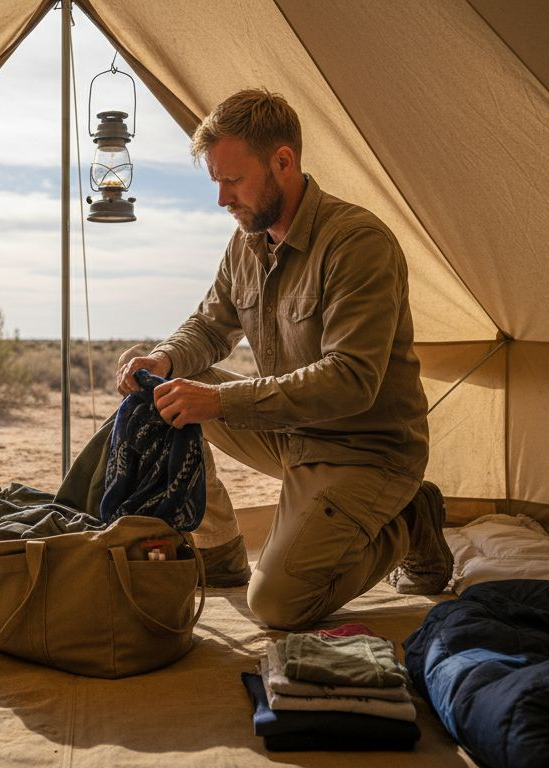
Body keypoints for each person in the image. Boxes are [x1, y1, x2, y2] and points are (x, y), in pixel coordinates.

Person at [115, 89, 451, 630]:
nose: (222, 199)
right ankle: (219, 547)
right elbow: (209, 326)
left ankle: (409, 520)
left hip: (365, 450)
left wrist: (219, 401)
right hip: (292, 434)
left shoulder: (357, 243)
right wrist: (163, 358)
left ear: (283, 162)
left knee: (276, 604)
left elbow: (350, 380)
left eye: (233, 179)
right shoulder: (245, 243)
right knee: (171, 387)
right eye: (216, 181)